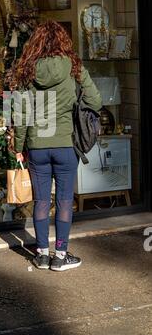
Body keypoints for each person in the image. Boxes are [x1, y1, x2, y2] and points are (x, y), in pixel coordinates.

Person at [11, 20, 102, 271]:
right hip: (65, 144)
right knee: (63, 201)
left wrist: (18, 145)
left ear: (35, 43)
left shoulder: (28, 70)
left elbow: (21, 115)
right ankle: (60, 255)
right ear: (63, 41)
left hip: (37, 146)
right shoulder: (74, 66)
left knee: (41, 200)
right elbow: (95, 99)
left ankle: (41, 254)